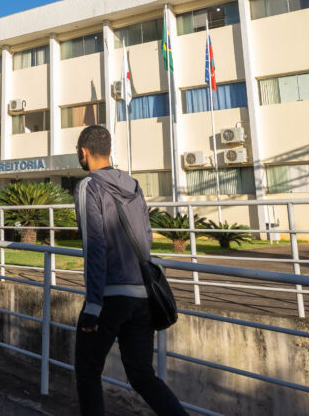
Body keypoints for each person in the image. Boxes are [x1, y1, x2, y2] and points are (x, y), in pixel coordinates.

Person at [73, 124, 186, 416]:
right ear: (109, 151)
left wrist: (93, 305)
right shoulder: (134, 186)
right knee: (141, 376)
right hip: (142, 298)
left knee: (87, 371)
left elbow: (95, 247)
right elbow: (146, 238)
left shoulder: (89, 186)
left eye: (78, 153)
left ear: (84, 152)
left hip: (109, 297)